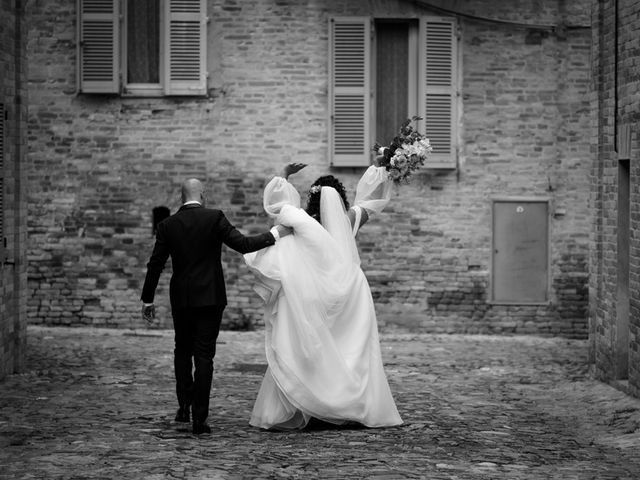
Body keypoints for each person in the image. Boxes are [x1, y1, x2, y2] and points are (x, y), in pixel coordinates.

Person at [244, 161, 403, 430]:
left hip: (314, 296)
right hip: (350, 296)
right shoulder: (349, 220)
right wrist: (385, 168)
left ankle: (311, 405)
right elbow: (372, 202)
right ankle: (351, 405)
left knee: (314, 350)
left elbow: (277, 204)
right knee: (351, 350)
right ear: (340, 200)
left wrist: (283, 176)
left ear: (313, 199)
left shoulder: (301, 223)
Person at [141, 178, 291, 435]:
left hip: (182, 299)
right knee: (204, 356)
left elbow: (155, 264)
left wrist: (148, 299)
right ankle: (200, 419)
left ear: (181, 197)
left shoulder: (167, 225)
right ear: (203, 194)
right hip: (210, 298)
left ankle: (183, 407)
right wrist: (276, 234)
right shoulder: (214, 218)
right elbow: (243, 245)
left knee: (182, 350)